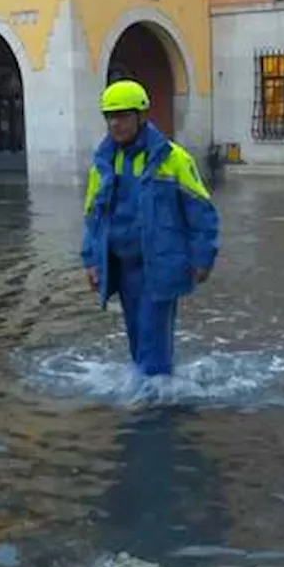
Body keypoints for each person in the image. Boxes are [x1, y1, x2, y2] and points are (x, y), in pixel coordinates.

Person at [81, 80, 219, 377]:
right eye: (110, 117)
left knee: (152, 341)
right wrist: (91, 260)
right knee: (137, 336)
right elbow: (93, 216)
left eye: (123, 116)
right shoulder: (103, 163)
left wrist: (202, 258)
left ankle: (154, 410)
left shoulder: (172, 159)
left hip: (161, 265)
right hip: (123, 266)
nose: (115, 124)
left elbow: (201, 212)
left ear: (141, 116)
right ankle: (149, 394)